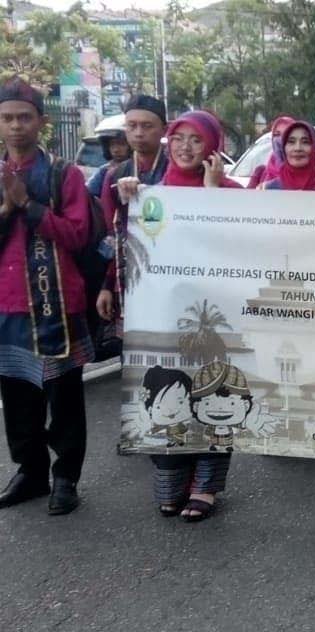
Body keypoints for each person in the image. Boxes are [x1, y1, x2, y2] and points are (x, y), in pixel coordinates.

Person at [119, 110, 241, 522]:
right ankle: (173, 483)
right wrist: (127, 195)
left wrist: (212, 192)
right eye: (179, 138)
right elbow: (133, 246)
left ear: (213, 147)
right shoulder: (151, 195)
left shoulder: (234, 192)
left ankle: (205, 487)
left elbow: (233, 249)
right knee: (164, 391)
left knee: (211, 395)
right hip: (162, 317)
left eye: (196, 139)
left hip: (213, 318)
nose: (186, 147)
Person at [0, 77, 92, 515]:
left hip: (58, 305)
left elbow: (77, 235)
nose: (15, 126)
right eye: (7, 118)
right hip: (8, 307)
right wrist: (6, 209)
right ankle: (30, 472)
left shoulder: (63, 174)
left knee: (65, 398)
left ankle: (65, 478)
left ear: (42, 122)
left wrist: (30, 207)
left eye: (24, 117)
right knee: (17, 396)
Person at [96, 95, 169, 331]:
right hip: (129, 277)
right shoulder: (114, 177)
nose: (138, 133)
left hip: (172, 272)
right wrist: (107, 285)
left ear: (163, 129)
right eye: (132, 126)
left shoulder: (177, 170)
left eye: (147, 126)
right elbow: (111, 236)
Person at [260, 121, 315, 191]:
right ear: (284, 147)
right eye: (291, 142)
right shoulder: (269, 189)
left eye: (305, 142)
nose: (297, 148)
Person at [248, 115, 295, 189]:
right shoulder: (262, 172)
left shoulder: (304, 175)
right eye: (277, 135)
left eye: (286, 135)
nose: (280, 139)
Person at [86, 130, 130, 199]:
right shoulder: (104, 170)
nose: (116, 150)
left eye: (121, 144)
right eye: (112, 144)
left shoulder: (136, 168)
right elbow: (88, 193)